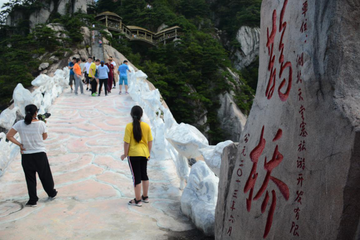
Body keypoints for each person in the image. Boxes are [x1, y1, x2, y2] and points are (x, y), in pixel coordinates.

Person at [6, 104, 57, 207]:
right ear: (36, 113)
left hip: (26, 155)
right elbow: (44, 137)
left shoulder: (19, 124)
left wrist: (20, 144)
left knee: (30, 178)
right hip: (40, 154)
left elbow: (9, 136)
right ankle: (51, 193)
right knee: (45, 176)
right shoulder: (41, 124)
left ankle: (33, 200)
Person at [121, 106, 153, 207]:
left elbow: (127, 143)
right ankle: (145, 197)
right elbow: (150, 141)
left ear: (131, 114)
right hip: (144, 153)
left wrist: (125, 154)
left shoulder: (129, 127)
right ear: (141, 115)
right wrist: (148, 153)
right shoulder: (146, 126)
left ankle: (138, 200)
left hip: (133, 154)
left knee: (136, 177)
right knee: (144, 175)